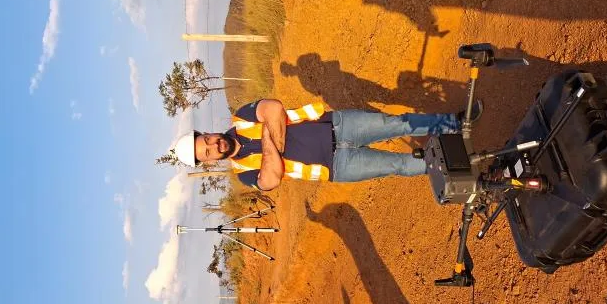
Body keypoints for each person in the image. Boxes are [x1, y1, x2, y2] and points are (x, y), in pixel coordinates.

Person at [171, 99, 481, 191]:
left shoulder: (242, 116)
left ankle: (454, 122)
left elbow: (274, 109)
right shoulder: (244, 175)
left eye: (207, 140)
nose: (214, 146)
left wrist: (271, 150)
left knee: (396, 123)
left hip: (337, 124)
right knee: (398, 165)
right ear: (209, 163)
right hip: (338, 167)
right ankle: (467, 164)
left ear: (207, 133)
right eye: (207, 153)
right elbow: (272, 178)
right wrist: (269, 135)